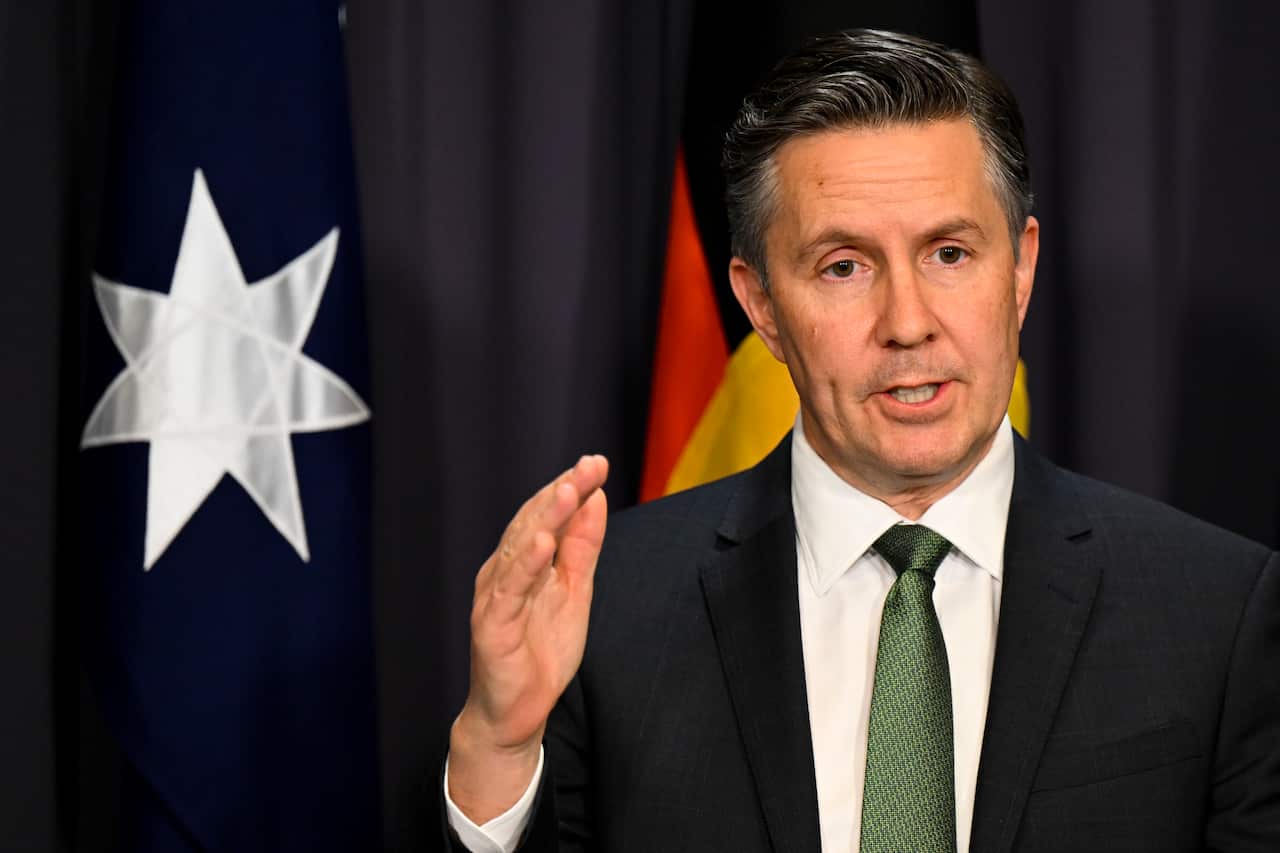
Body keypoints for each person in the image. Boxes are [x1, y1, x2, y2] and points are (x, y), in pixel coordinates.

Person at [439, 29, 1280, 853]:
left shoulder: (1216, 610)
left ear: (1019, 271)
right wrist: (500, 751)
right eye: (844, 266)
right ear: (762, 304)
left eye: (949, 253)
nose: (908, 324)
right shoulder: (604, 608)